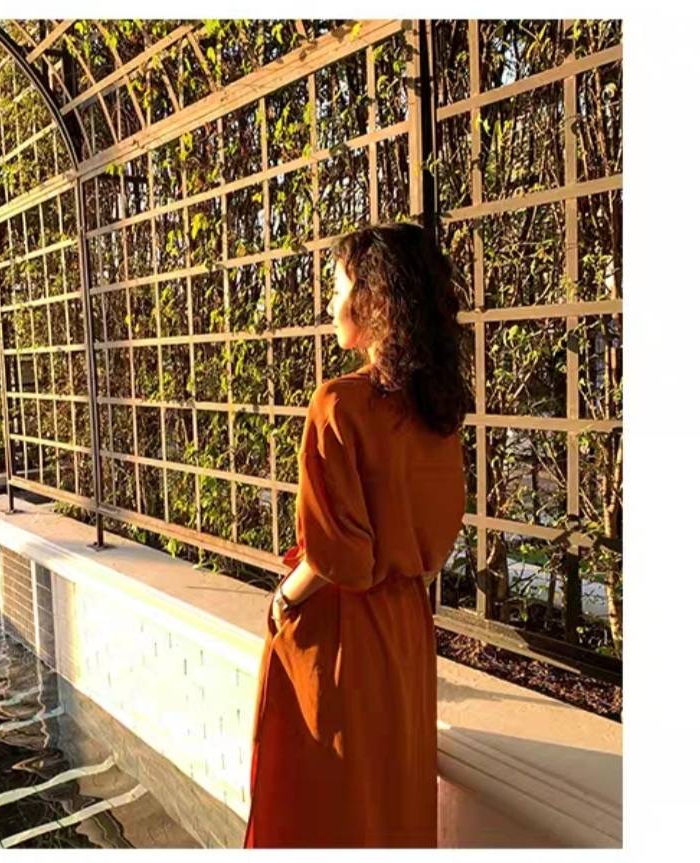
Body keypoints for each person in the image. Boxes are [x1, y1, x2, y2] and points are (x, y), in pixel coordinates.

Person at [243, 222, 471, 848]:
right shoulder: (438, 412)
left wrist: (283, 599)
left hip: (344, 634)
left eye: (338, 288)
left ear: (372, 300)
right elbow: (432, 539)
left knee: (332, 812)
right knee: (393, 803)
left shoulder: (339, 405)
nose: (328, 304)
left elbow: (336, 555)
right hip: (406, 632)